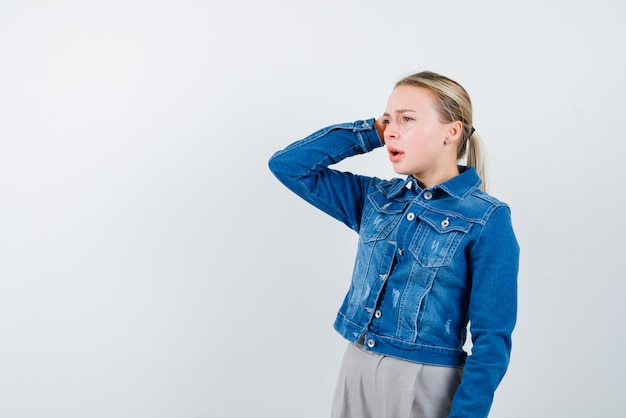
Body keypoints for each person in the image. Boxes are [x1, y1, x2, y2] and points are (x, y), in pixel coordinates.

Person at [268, 71, 519, 418]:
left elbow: (492, 340)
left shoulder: (488, 219)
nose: (392, 132)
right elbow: (288, 166)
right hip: (356, 366)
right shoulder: (376, 199)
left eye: (407, 119)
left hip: (425, 380)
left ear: (452, 131)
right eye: (388, 120)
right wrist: (368, 130)